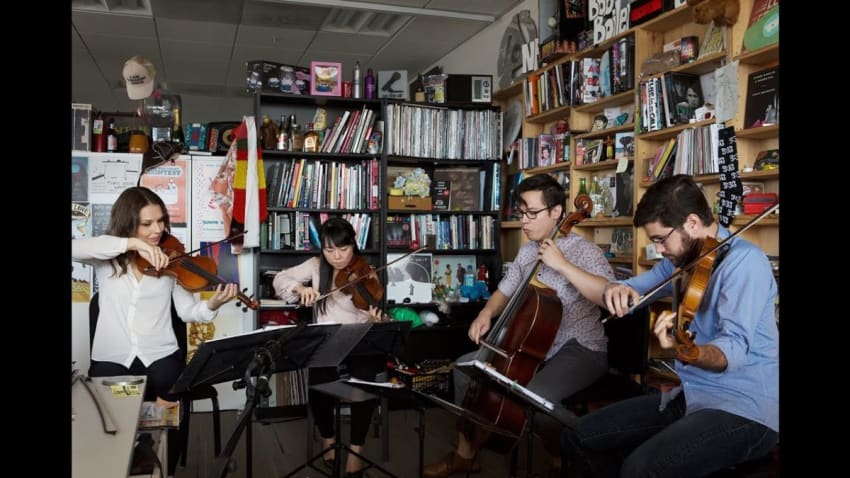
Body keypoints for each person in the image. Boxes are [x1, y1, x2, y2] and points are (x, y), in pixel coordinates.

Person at [558, 175, 779, 477]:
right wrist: (617, 290)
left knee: (639, 469)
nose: (659, 250)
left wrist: (693, 353)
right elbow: (632, 289)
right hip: (690, 396)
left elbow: (734, 351)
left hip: (744, 408)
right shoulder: (679, 262)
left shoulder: (744, 264)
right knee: (577, 435)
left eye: (660, 239)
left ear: (691, 223)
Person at [423, 174, 615, 478]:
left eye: (531, 213)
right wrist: (485, 314)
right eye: (520, 212)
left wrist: (562, 263)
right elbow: (504, 291)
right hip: (531, 345)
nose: (524, 221)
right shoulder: (527, 252)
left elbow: (608, 295)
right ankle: (466, 454)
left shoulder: (584, 251)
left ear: (556, 213)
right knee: (465, 369)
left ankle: (563, 455)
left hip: (579, 347)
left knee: (535, 400)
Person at [72, 186, 238, 405]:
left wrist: (212, 305)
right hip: (112, 356)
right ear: (128, 224)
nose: (158, 229)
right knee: (113, 414)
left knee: (169, 399)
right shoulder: (107, 258)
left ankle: (164, 437)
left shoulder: (170, 259)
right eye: (147, 224)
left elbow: (187, 312)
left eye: (161, 221)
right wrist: (134, 244)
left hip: (160, 355)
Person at [273, 217, 384, 478]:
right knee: (318, 383)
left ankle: (356, 453)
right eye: (329, 250)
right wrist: (299, 288)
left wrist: (373, 319)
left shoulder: (365, 271)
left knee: (365, 385)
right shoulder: (315, 266)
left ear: (353, 246)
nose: (336, 257)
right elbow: (280, 279)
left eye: (343, 250)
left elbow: (370, 311)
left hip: (358, 340)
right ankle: (329, 441)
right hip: (325, 342)